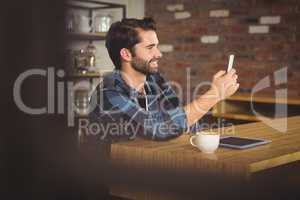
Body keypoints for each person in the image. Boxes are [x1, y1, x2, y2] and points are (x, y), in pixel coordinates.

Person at [89, 17, 239, 141]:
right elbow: (157, 128)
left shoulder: (154, 80)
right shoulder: (108, 93)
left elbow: (185, 122)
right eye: (150, 47)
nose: (159, 53)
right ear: (126, 54)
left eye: (157, 46)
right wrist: (215, 94)